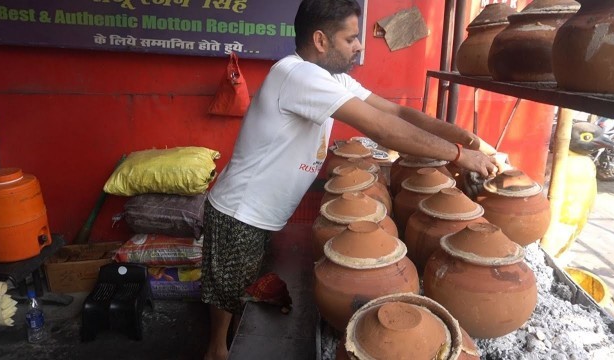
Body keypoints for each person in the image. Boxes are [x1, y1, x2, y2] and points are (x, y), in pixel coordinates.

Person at [201, 0, 499, 359]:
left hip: (262, 212)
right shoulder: (297, 75)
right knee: (228, 297)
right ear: (321, 40)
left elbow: (399, 112)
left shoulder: (331, 78)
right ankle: (217, 350)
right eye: (351, 38)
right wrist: (459, 156)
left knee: (246, 294)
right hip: (240, 212)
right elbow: (382, 129)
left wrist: (470, 141)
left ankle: (231, 341)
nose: (359, 46)